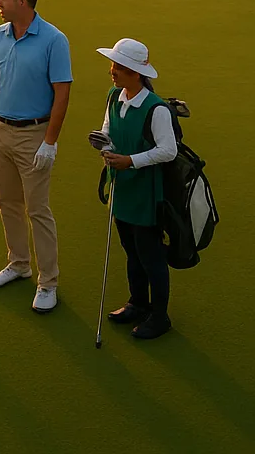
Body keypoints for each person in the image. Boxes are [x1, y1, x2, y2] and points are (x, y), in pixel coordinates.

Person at [0, 0, 72, 313]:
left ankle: (48, 281)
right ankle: (19, 263)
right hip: (0, 129)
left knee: (37, 209)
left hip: (33, 135)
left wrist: (50, 142)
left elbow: (62, 92)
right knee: (8, 202)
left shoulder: (54, 40)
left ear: (21, 1)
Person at [95, 37, 177, 340]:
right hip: (122, 188)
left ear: (135, 71)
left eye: (118, 66)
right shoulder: (114, 96)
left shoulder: (156, 109)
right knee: (131, 249)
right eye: (113, 64)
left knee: (151, 255)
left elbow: (168, 151)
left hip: (147, 192)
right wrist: (105, 146)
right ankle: (137, 302)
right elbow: (108, 129)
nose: (112, 71)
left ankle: (160, 316)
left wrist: (129, 160)